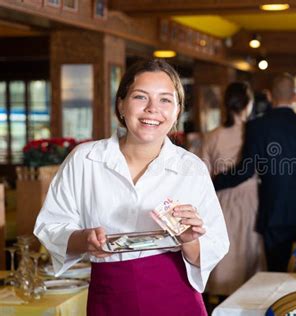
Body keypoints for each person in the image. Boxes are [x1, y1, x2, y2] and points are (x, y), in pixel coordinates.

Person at [34, 59, 229, 315]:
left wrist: (188, 240)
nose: (152, 109)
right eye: (140, 97)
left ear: (177, 111)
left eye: (165, 100)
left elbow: (215, 246)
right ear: (121, 104)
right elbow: (51, 226)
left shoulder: (191, 168)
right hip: (110, 296)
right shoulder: (85, 159)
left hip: (176, 296)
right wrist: (84, 240)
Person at [213, 73, 296, 272]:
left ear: (269, 96)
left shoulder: (257, 127)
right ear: (295, 96)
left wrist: (214, 182)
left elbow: (245, 171)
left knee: (277, 276)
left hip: (274, 212)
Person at [200, 82, 265, 297]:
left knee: (225, 251)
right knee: (248, 251)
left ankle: (219, 299)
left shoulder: (212, 136)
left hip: (220, 200)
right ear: (248, 104)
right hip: (251, 199)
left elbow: (202, 176)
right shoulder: (256, 133)